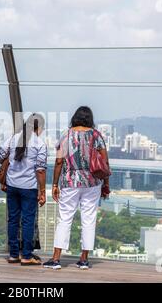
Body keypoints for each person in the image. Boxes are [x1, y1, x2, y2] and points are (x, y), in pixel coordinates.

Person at [43, 106, 110, 270]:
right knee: (89, 219)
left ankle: (56, 258)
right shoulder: (96, 135)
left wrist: (54, 184)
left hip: (70, 181)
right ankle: (84, 259)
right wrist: (106, 183)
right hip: (92, 182)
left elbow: (59, 161)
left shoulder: (66, 134)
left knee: (64, 219)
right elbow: (105, 161)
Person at [0, 113, 47, 266]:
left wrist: (10, 162)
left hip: (12, 186)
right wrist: (42, 191)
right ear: (40, 128)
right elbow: (41, 170)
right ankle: (26, 255)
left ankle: (13, 255)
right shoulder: (40, 144)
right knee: (28, 221)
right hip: (29, 187)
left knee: (13, 220)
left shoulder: (13, 138)